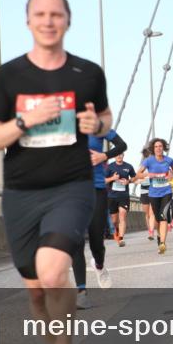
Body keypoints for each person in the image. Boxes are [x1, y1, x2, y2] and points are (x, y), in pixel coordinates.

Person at [0, 0, 107, 344]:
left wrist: (97, 128)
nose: (49, 21)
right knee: (35, 289)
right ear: (29, 22)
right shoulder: (8, 77)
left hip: (71, 187)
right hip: (21, 194)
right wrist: (24, 121)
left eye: (56, 14)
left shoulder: (87, 73)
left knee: (53, 272)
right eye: (40, 15)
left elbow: (103, 117)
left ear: (68, 20)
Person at [72, 127, 124, 308]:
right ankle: (82, 292)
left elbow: (122, 145)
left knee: (96, 241)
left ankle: (99, 265)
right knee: (75, 240)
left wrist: (104, 156)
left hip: (97, 189)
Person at [136, 138, 173, 255]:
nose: (158, 148)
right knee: (157, 220)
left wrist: (172, 175)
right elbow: (138, 174)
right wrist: (148, 174)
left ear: (163, 148)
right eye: (156, 147)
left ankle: (163, 243)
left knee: (163, 216)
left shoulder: (169, 160)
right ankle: (159, 237)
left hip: (166, 192)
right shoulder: (149, 161)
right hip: (153, 194)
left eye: (160, 146)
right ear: (153, 149)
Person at [105, 152, 136, 250]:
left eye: (120, 154)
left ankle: (121, 238)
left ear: (123, 155)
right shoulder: (109, 167)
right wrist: (113, 178)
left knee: (122, 215)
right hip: (112, 196)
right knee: (114, 221)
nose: (119, 156)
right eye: (117, 154)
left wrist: (128, 181)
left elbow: (134, 177)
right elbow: (103, 180)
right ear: (114, 156)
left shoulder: (128, 166)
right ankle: (116, 231)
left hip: (124, 196)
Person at [137, 147, 155, 240]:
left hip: (153, 190)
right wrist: (141, 180)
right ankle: (150, 230)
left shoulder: (154, 165)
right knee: (147, 214)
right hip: (144, 191)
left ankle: (151, 233)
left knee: (152, 213)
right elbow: (136, 178)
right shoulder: (141, 167)